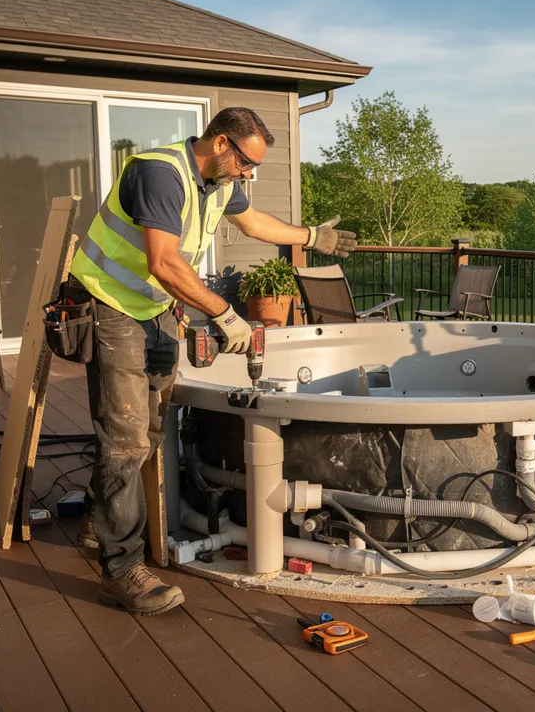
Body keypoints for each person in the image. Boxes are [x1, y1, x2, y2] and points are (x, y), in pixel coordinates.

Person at [63, 106, 356, 616]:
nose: (249, 174)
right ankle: (121, 568)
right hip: (110, 307)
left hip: (152, 308)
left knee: (150, 429)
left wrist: (310, 236)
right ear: (221, 143)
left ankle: (99, 520)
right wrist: (225, 314)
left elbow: (254, 222)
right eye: (246, 162)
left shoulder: (219, 182)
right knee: (126, 438)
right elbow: (163, 261)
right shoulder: (160, 173)